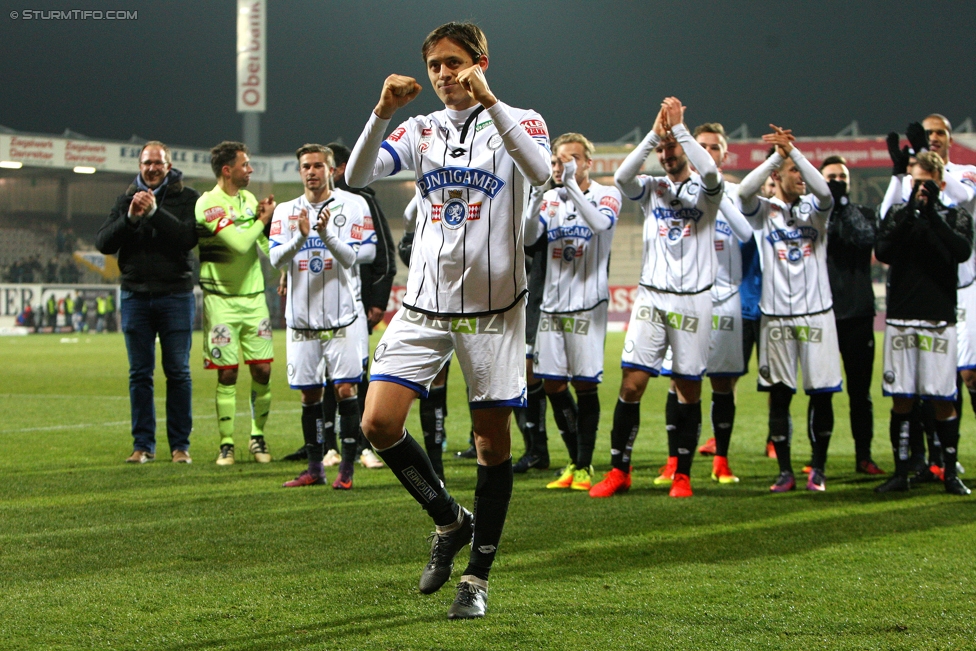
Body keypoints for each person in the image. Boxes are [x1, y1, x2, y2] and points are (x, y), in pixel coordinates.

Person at [346, 21, 551, 618]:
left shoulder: (522, 118)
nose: (443, 75)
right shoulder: (420, 129)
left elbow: (540, 172)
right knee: (378, 425)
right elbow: (357, 178)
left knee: (490, 443)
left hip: (493, 312)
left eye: (454, 62)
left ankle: (477, 580)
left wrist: (488, 99)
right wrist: (381, 112)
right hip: (424, 305)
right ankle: (447, 518)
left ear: (481, 61)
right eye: (435, 65)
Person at [595, 99, 750, 499]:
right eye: (662, 151)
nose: (665, 156)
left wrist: (679, 130)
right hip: (652, 298)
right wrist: (653, 135)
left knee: (687, 387)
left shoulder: (708, 190)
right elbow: (622, 176)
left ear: (685, 147)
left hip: (694, 301)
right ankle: (619, 471)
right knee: (632, 383)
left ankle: (682, 473)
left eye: (671, 149)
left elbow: (712, 170)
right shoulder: (652, 188)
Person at [738, 125, 840, 492]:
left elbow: (825, 190)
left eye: (802, 169)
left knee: (821, 392)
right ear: (778, 176)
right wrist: (776, 159)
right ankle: (784, 472)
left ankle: (820, 469)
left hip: (817, 314)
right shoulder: (764, 212)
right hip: (776, 315)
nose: (801, 175)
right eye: (794, 171)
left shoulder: (817, 211)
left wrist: (794, 153)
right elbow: (744, 190)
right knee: (779, 394)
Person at [270, 144, 375, 489]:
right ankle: (315, 468)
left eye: (318, 165)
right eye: (305, 166)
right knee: (309, 394)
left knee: (346, 389)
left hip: (343, 315)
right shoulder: (286, 212)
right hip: (301, 318)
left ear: (331, 169)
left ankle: (346, 469)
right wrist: (301, 237)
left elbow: (360, 255)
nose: (312, 172)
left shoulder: (354, 205)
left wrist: (326, 235)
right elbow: (275, 260)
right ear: (299, 171)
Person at [523, 132, 619, 491]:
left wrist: (571, 187)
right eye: (559, 160)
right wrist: (535, 198)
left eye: (573, 158)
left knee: (584, 384)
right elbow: (529, 240)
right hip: (551, 305)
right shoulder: (549, 199)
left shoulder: (606, 194)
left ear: (588, 163)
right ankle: (575, 460)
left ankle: (584, 464)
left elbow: (600, 224)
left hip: (587, 305)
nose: (564, 165)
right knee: (552, 383)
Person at [874, 152, 973, 495]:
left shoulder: (955, 215)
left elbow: (961, 251)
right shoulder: (900, 215)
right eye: (915, 183)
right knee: (901, 398)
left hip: (938, 317)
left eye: (927, 184)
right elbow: (883, 250)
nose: (920, 190)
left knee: (942, 398)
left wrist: (932, 216)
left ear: (941, 183)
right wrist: (912, 215)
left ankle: (948, 472)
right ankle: (901, 472)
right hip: (900, 317)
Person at [95, 141, 199, 464]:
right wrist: (130, 217)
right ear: (139, 167)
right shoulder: (126, 198)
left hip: (176, 295)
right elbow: (103, 243)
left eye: (158, 163)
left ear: (169, 166)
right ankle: (143, 446)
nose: (152, 168)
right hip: (135, 295)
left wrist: (154, 213)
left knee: (178, 372)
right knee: (139, 374)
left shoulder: (187, 198)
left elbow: (187, 238)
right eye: (146, 163)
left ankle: (180, 446)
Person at [195, 141, 277, 466]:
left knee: (263, 370)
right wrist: (263, 219)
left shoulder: (250, 200)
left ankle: (257, 437)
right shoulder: (207, 204)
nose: (250, 169)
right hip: (221, 301)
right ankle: (226, 444)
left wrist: (281, 239)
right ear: (227, 170)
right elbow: (241, 244)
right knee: (227, 374)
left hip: (254, 299)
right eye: (245, 164)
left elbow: (263, 246)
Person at [817, 155, 885, 475]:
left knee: (860, 393)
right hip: (823, 316)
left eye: (842, 177)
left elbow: (866, 240)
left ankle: (864, 456)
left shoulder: (865, 214)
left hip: (857, 315)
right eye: (830, 177)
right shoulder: (813, 218)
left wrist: (843, 206)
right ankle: (818, 460)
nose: (837, 182)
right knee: (822, 392)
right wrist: (829, 209)